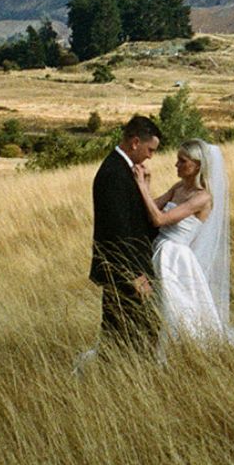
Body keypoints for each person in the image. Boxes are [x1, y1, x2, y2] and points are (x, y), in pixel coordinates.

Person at [134, 138, 234, 357]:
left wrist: (141, 186)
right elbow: (149, 212)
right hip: (160, 249)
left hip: (175, 256)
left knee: (175, 308)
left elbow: (160, 219)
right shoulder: (178, 188)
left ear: (197, 166)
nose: (176, 165)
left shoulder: (203, 197)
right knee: (159, 306)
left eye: (182, 161)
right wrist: (146, 187)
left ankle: (175, 354)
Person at [87, 115, 161, 352]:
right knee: (132, 333)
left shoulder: (125, 169)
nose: (151, 155)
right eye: (150, 149)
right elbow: (117, 231)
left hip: (127, 269)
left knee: (124, 333)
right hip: (123, 272)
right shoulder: (113, 174)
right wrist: (135, 275)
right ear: (135, 142)